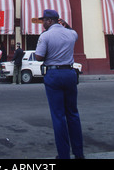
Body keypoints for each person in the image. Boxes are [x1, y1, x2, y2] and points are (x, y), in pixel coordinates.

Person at [35, 9, 84, 160]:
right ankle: (79, 153)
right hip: (70, 73)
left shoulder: (46, 35)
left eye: (44, 20)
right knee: (73, 114)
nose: (42, 23)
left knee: (58, 116)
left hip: (54, 75)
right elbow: (73, 31)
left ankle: (64, 155)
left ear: (50, 21)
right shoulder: (71, 34)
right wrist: (67, 25)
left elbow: (38, 57)